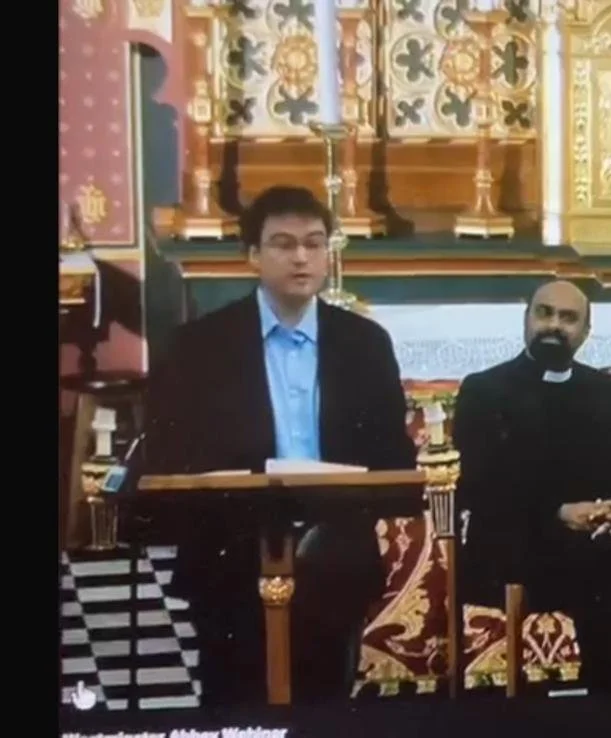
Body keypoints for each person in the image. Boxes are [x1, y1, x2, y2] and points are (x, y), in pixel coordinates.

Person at [140, 186, 417, 705]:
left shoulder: (365, 343)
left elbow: (391, 455)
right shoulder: (198, 346)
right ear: (252, 255)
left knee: (326, 705)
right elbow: (171, 454)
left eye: (314, 243)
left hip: (333, 549)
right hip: (230, 548)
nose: (301, 257)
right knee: (234, 701)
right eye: (283, 244)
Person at [452, 280, 611, 695]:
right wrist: (559, 513)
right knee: (592, 568)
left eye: (568, 318)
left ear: (585, 332)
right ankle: (605, 698)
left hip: (599, 532)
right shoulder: (484, 389)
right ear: (526, 319)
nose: (554, 326)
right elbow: (480, 485)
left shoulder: (604, 390)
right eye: (544, 313)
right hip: (515, 537)